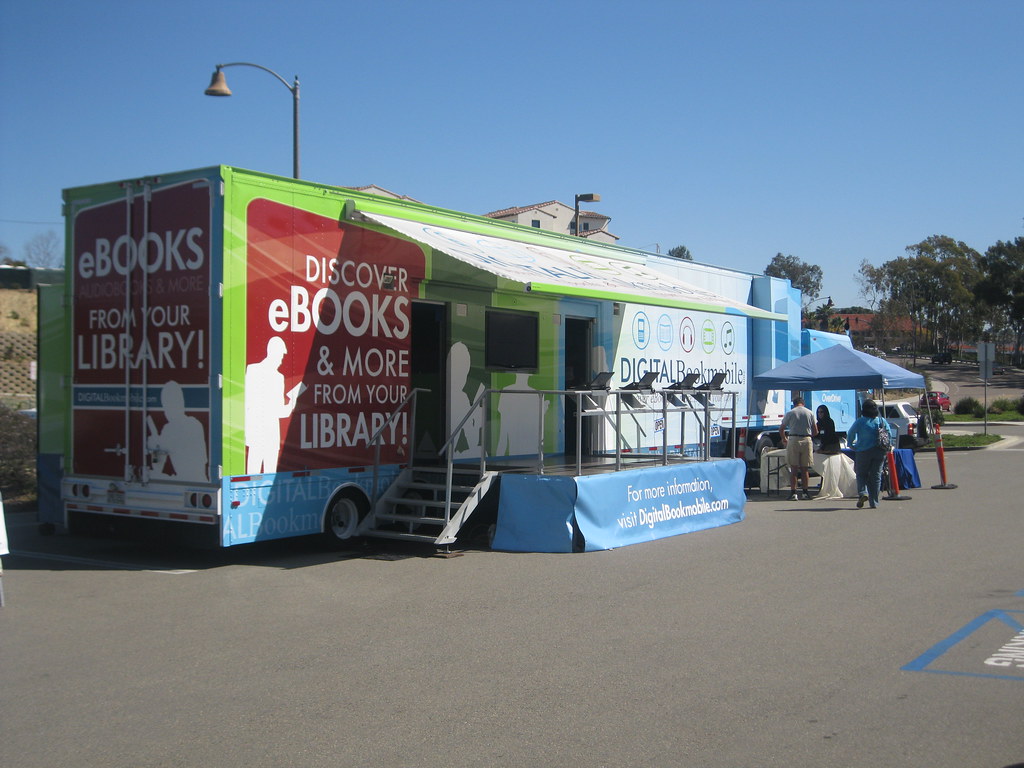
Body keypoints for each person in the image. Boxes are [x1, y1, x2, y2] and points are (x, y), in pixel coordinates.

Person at [847, 399, 896, 509]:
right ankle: (874, 501)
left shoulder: (860, 421)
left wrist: (851, 444)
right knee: (876, 476)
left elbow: (851, 433)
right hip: (879, 450)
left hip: (863, 451)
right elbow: (889, 433)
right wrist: (889, 446)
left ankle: (863, 492)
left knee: (861, 474)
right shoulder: (881, 421)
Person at [779, 396, 818, 500]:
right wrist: (808, 435)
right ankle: (805, 492)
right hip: (806, 439)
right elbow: (815, 431)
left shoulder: (790, 413)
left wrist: (784, 439)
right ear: (803, 403)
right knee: (805, 469)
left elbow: (781, 429)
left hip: (794, 439)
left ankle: (793, 493)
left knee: (794, 468)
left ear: (794, 404)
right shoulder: (810, 413)